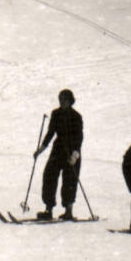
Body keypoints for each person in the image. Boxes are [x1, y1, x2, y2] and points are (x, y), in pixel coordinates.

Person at [34, 88, 83, 221]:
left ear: (70, 101)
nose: (62, 102)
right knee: (49, 175)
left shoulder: (76, 117)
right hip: (58, 149)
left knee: (70, 180)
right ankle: (48, 209)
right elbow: (50, 133)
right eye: (60, 100)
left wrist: (75, 155)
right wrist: (41, 149)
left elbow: (79, 137)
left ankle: (68, 210)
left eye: (64, 100)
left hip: (72, 151)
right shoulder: (56, 114)